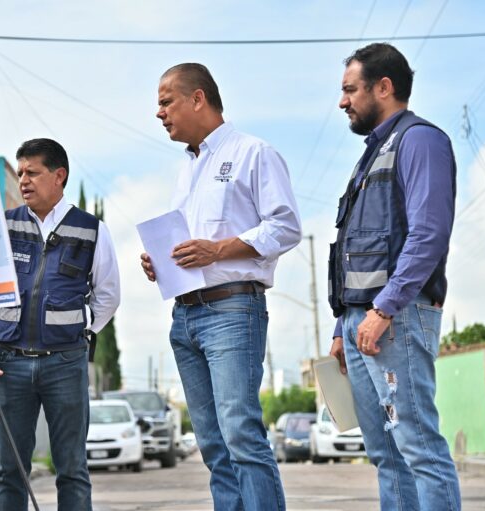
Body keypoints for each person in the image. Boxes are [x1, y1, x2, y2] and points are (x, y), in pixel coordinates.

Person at [140, 63, 301, 510]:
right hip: (185, 315)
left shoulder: (253, 153)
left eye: (165, 101)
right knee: (212, 445)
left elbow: (286, 228)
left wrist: (220, 250)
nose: (159, 113)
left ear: (198, 98)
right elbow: (194, 246)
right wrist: (164, 262)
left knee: (240, 435)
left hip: (232, 312)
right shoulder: (186, 170)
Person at [328, 43, 461, 510]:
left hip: (395, 317)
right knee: (387, 454)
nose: (343, 101)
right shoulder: (373, 153)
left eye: (350, 90)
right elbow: (356, 246)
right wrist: (341, 326)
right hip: (361, 323)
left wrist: (384, 308)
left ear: (383, 87)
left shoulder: (420, 140)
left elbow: (428, 233)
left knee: (418, 447)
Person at [0, 138, 120, 511]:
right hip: (8, 364)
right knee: (10, 471)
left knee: (72, 470)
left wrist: (77, 334)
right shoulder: (3, 227)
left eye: (32, 172)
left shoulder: (91, 231)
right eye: (20, 173)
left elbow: (108, 297)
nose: (24, 181)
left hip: (65, 364)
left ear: (59, 176)